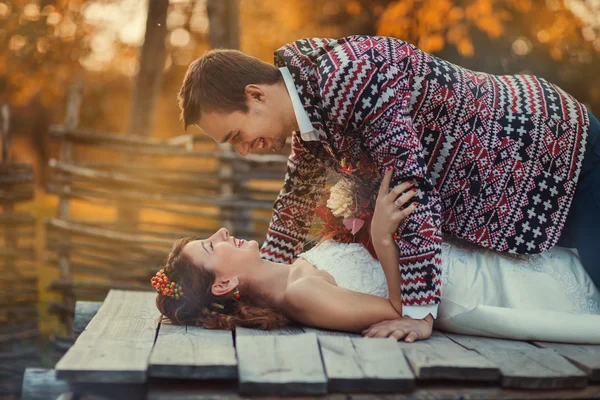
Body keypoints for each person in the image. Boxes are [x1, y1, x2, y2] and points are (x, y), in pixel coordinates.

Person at [177, 35, 598, 336]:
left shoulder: (349, 79)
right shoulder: (310, 108)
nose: (245, 151)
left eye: (236, 136)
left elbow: (411, 184)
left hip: (554, 149)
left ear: (256, 95)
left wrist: (418, 312)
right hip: (513, 176)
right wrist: (265, 285)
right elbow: (295, 198)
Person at [154, 170, 600, 343]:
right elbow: (396, 311)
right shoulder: (301, 294)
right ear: (225, 285)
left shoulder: (292, 271)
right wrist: (383, 237)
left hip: (458, 263)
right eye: (212, 246)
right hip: (469, 289)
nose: (222, 231)